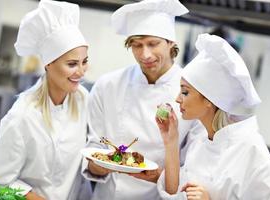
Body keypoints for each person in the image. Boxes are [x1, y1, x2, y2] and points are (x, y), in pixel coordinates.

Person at [83, 0, 204, 199]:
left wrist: (159, 177)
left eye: (153, 44)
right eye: (137, 45)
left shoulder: (193, 95)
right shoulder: (108, 86)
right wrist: (100, 165)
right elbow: (93, 151)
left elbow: (193, 170)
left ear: (171, 43)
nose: (145, 54)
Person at [156, 33, 270, 200]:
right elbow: (176, 194)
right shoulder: (201, 141)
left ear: (210, 100)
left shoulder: (251, 151)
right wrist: (171, 142)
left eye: (185, 92)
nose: (177, 99)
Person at [0, 0, 92, 199]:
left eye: (84, 61)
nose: (81, 72)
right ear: (48, 65)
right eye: (72, 64)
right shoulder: (21, 116)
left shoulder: (82, 98)